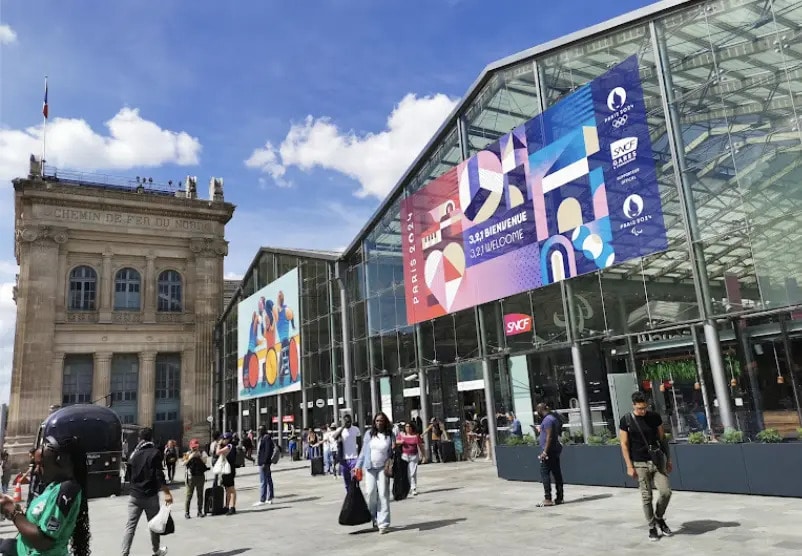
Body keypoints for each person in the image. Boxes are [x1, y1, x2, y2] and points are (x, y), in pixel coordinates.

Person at [0, 434, 90, 556]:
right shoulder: (52, 486)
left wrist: (12, 511)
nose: (36, 470)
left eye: (41, 464)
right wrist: (15, 508)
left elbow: (43, 542)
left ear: (61, 461)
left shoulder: (66, 491)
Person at [620, 391, 673, 542]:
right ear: (634, 405)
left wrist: (668, 459)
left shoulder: (654, 417)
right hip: (639, 462)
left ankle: (659, 517)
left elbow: (662, 439)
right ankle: (652, 527)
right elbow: (624, 444)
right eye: (639, 408)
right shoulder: (627, 420)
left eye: (644, 408)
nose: (642, 411)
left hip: (656, 461)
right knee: (646, 496)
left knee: (666, 492)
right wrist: (629, 466)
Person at [121, 427, 172, 556]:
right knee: (154, 525)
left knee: (130, 527)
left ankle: (124, 553)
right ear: (151, 438)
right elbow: (158, 475)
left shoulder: (134, 453)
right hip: (150, 496)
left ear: (139, 439)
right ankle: (156, 550)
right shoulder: (155, 453)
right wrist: (166, 492)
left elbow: (128, 475)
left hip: (134, 496)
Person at [354, 412, 395, 534]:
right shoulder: (369, 434)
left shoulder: (389, 435)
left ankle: (384, 523)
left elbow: (392, 451)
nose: (379, 423)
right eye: (377, 421)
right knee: (371, 493)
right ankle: (374, 518)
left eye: (381, 420)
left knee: (383, 494)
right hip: (370, 467)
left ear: (385, 422)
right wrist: (358, 466)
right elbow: (363, 451)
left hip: (383, 468)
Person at [535, 403, 564, 507]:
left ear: (540, 410)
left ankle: (548, 499)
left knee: (544, 473)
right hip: (555, 450)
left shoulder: (547, 420)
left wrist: (545, 452)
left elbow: (549, 437)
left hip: (549, 452)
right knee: (557, 474)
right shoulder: (553, 418)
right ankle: (560, 497)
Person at [332, 414, 361, 491]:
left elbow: (359, 443)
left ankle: (355, 493)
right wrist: (342, 428)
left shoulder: (356, 429)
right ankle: (349, 495)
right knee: (346, 480)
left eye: (349, 421)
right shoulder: (340, 430)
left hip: (354, 458)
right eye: (346, 421)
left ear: (351, 421)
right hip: (344, 458)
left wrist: (361, 456)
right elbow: (334, 437)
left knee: (355, 479)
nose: (348, 423)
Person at [396, 422, 425, 496]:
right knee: (406, 473)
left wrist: (423, 455)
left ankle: (413, 488)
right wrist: (400, 442)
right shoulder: (402, 434)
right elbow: (395, 442)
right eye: (406, 427)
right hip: (404, 455)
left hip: (414, 455)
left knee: (412, 472)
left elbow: (420, 445)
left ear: (412, 427)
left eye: (409, 427)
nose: (408, 428)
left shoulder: (416, 436)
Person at [182, 438, 208, 519]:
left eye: (195, 446)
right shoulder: (187, 453)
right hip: (190, 477)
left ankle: (199, 511)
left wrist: (199, 456)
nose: (194, 448)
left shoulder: (202, 452)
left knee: (200, 495)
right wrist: (191, 457)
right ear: (190, 446)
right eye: (193, 447)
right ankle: (187, 512)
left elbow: (205, 462)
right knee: (189, 495)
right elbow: (183, 463)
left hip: (200, 476)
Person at [216, 433, 238, 516]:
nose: (223, 440)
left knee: (231, 488)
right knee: (227, 489)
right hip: (225, 469)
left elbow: (218, 452)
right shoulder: (227, 446)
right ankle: (227, 506)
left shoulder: (230, 446)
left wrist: (218, 444)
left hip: (229, 469)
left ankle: (232, 507)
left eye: (224, 439)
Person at [253, 426, 275, 506]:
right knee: (268, 479)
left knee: (264, 480)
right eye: (258, 429)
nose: (259, 431)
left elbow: (267, 451)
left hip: (264, 462)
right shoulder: (262, 438)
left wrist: (264, 462)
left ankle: (263, 499)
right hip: (262, 462)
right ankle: (269, 497)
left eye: (260, 430)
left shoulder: (266, 438)